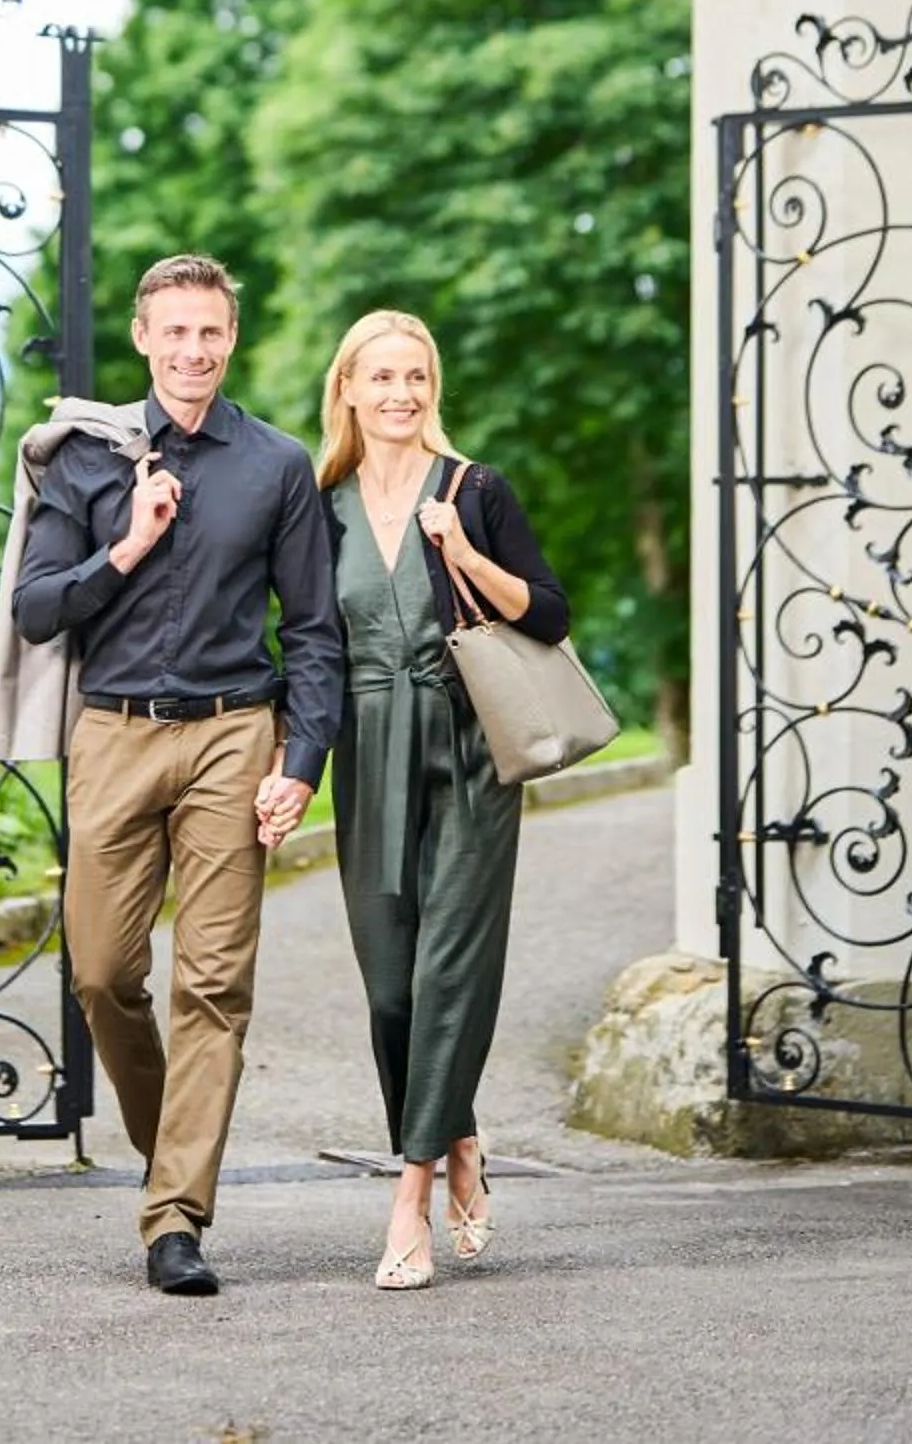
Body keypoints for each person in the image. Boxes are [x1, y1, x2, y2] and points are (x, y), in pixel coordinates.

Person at [11, 252, 343, 1297]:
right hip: (110, 734)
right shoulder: (85, 460)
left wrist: (300, 762)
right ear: (143, 338)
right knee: (103, 974)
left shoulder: (276, 466)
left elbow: (316, 633)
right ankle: (174, 1158)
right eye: (174, 332)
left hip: (230, 735)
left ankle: (175, 1218)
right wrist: (125, 546)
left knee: (212, 983)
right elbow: (32, 607)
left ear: (228, 338)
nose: (193, 350)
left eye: (210, 332)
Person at [261, 308, 566, 1290]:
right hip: (369, 751)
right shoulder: (317, 505)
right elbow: (305, 644)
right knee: (391, 985)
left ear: (432, 390)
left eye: (415, 378)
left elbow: (550, 611)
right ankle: (458, 1136)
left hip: (468, 750)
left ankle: (409, 1194)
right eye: (380, 377)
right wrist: (289, 759)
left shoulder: (474, 490)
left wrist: (464, 555)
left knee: (447, 974)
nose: (399, 395)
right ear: (344, 387)